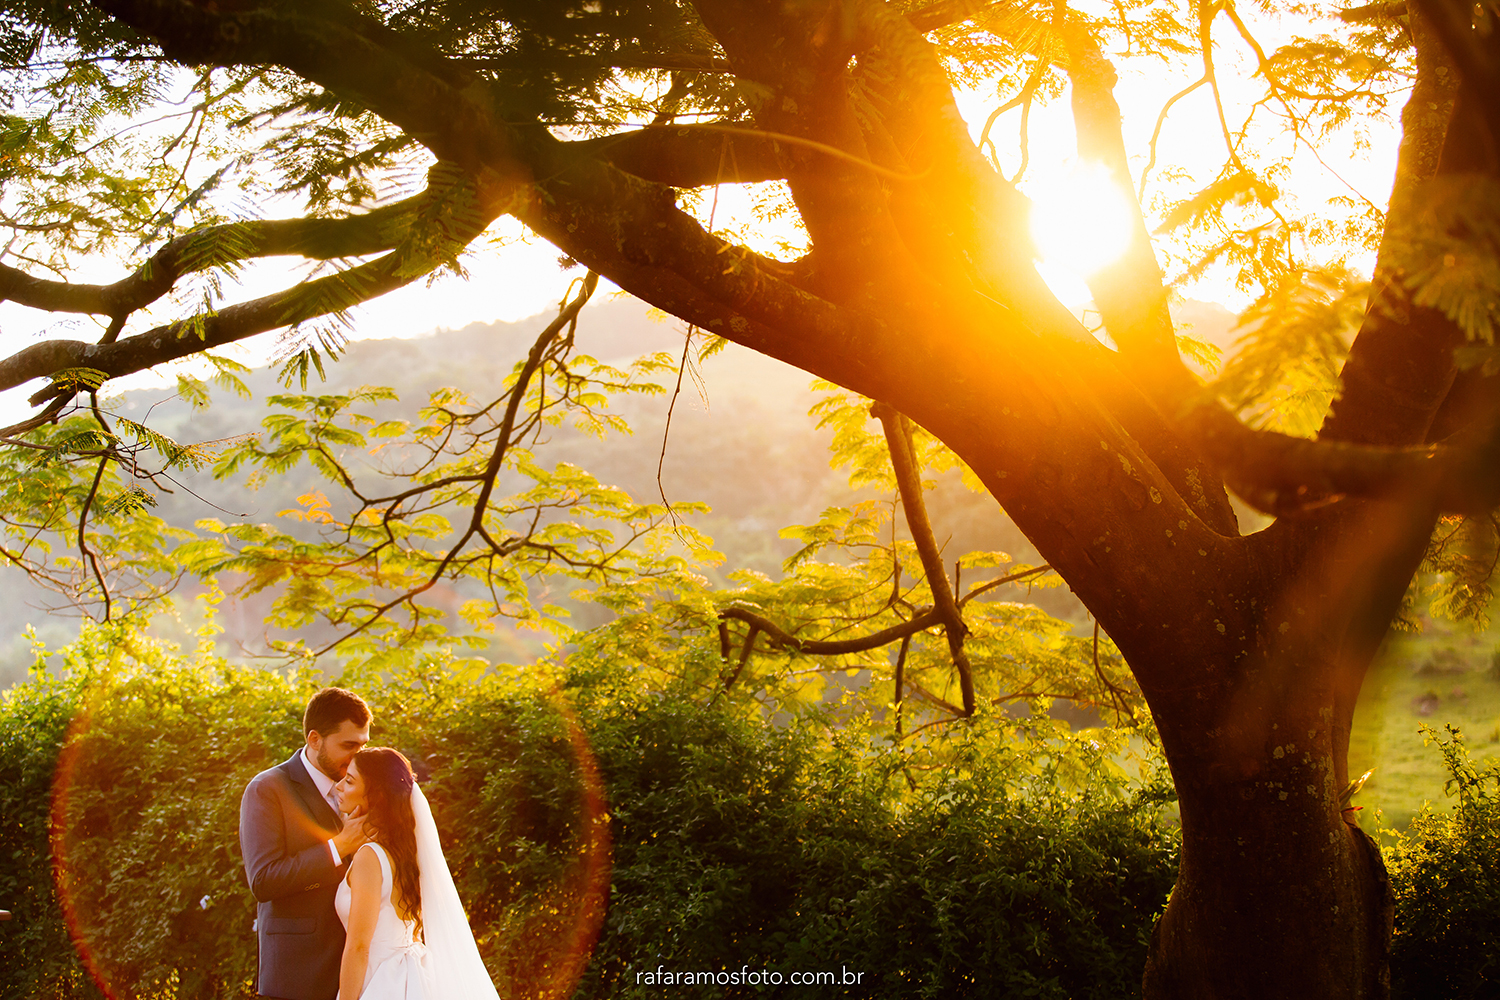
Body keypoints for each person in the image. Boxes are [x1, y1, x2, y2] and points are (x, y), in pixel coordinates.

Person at [333, 747, 500, 1000]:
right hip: (413, 977)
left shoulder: (370, 856)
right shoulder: (407, 850)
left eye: (350, 781)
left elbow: (358, 947)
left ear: (375, 796)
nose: (339, 787)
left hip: (378, 982)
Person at [239, 688, 373, 1000]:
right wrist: (337, 848)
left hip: (362, 971)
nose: (357, 758)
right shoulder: (267, 789)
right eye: (348, 746)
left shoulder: (366, 790)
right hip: (298, 975)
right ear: (314, 740)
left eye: (363, 746)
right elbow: (264, 881)